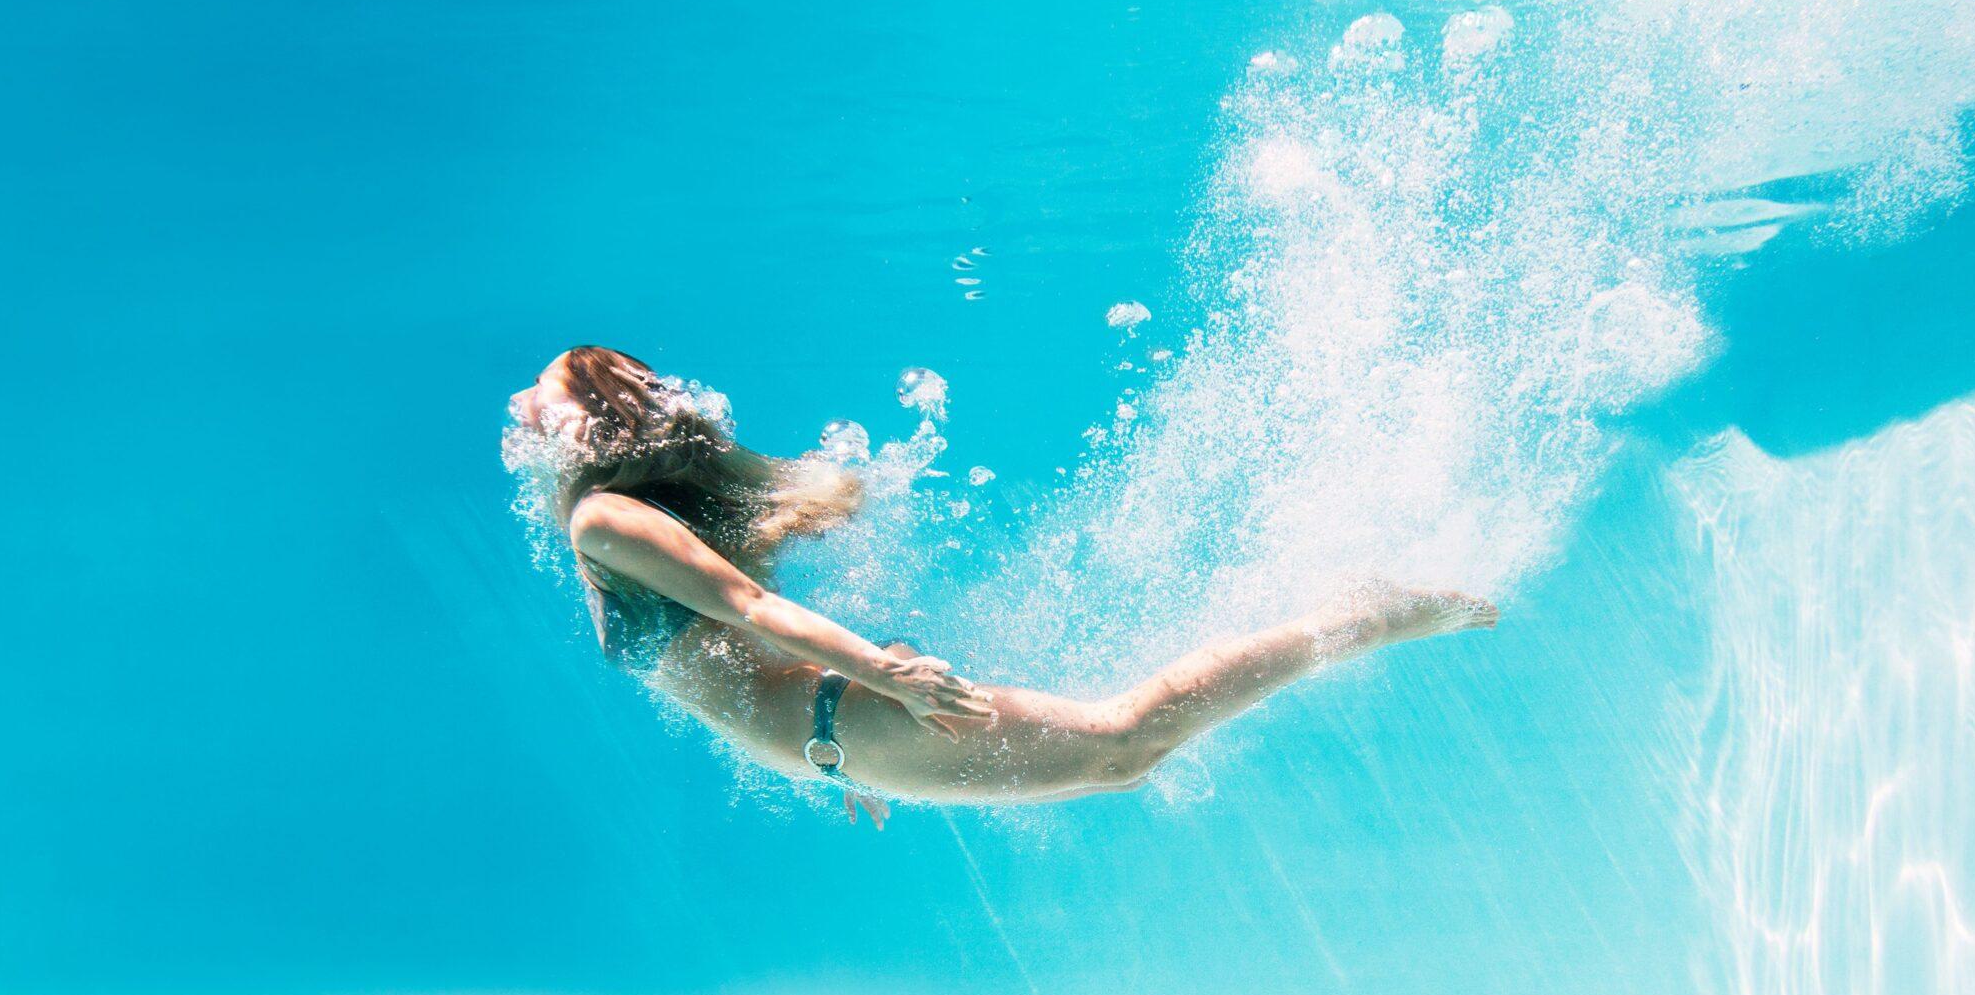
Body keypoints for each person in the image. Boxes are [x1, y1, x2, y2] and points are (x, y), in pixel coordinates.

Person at [505, 346, 1497, 826]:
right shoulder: (627, 518)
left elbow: (753, 611)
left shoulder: (602, 519)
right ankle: (1342, 619)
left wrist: (880, 690)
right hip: (833, 733)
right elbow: (736, 640)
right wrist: (844, 755)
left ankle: (1347, 618)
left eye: (540, 393)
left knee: (1123, 744)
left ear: (592, 417)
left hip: (843, 717)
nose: (520, 404)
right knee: (1125, 754)